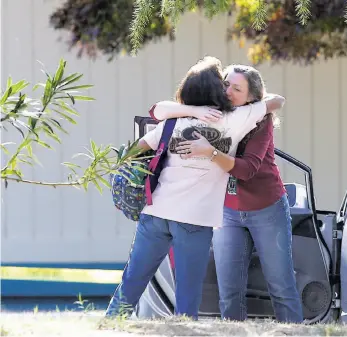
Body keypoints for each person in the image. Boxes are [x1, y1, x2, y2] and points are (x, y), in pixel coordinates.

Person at [105, 56, 285, 320]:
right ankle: (183, 330)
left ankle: (110, 325)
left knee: (132, 281)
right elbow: (276, 102)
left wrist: (189, 112)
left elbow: (138, 146)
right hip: (194, 219)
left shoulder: (172, 122)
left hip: (156, 213)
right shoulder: (235, 118)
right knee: (187, 295)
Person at [174, 64, 304, 323]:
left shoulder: (260, 121)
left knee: (281, 288)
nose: (229, 92)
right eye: (226, 85)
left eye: (237, 88)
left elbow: (246, 170)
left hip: (266, 209)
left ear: (252, 97)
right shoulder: (212, 114)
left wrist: (209, 152)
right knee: (229, 293)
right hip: (228, 211)